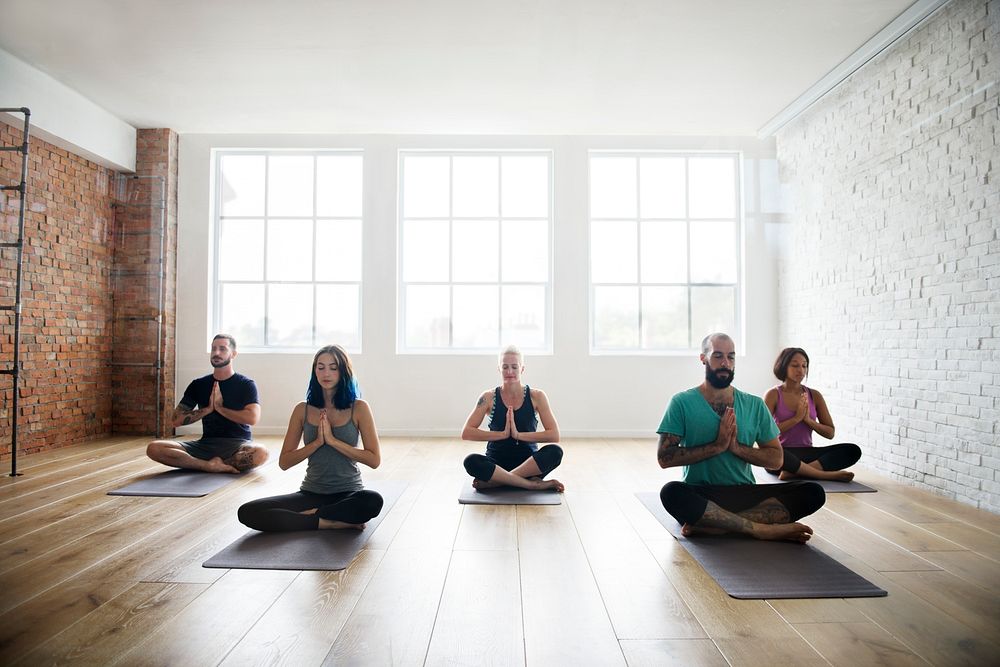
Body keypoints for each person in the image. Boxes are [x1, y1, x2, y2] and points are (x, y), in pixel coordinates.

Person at [657, 333, 825, 542]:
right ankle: (761, 529)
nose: (725, 363)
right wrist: (716, 447)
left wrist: (736, 448)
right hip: (703, 494)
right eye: (718, 356)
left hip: (744, 493)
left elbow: (776, 459)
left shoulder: (754, 404)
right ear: (703, 358)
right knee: (671, 492)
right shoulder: (681, 402)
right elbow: (664, 458)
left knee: (813, 491)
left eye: (731, 357)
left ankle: (719, 525)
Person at [237, 344, 383, 531]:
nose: (326, 373)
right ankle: (325, 520)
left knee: (373, 500)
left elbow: (374, 460)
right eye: (320, 367)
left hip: (349, 494)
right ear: (315, 371)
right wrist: (316, 443)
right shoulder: (302, 410)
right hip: (311, 493)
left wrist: (333, 441)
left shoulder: (359, 408)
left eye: (333, 367)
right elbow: (284, 462)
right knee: (248, 511)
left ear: (343, 371)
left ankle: (311, 517)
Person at [146, 334, 268, 473]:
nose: (216, 353)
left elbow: (252, 418)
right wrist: (208, 409)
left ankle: (221, 464)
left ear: (233, 354)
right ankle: (207, 466)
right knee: (154, 448)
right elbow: (175, 420)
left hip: (237, 445)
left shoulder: (245, 384)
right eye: (213, 348)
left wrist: (220, 408)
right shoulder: (198, 384)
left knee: (261, 453)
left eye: (222, 349)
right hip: (205, 445)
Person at [461, 345, 564, 492]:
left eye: (514, 367)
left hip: (529, 465)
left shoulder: (537, 396)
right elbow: (467, 432)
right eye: (505, 367)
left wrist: (518, 435)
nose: (509, 371)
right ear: (499, 369)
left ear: (522, 368)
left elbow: (554, 435)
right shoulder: (488, 397)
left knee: (555, 452)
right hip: (496, 464)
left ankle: (500, 482)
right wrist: (502, 434)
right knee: (471, 461)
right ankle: (530, 484)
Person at [763, 347, 862, 482]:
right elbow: (764, 434)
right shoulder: (773, 395)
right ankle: (821, 475)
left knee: (852, 450)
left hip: (806, 453)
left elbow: (830, 433)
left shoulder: (814, 395)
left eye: (804, 366)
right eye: (795, 365)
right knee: (771, 455)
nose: (801, 370)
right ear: (783, 366)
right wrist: (796, 419)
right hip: (782, 453)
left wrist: (809, 421)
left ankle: (796, 473)